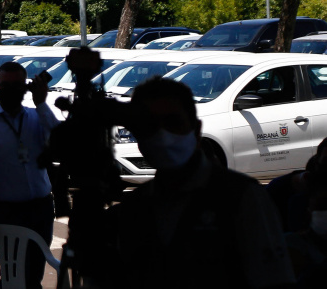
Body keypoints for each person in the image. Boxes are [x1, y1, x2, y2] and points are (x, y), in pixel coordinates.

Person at [112, 76, 295, 289]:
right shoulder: (135, 206)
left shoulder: (242, 197)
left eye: (173, 123)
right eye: (150, 126)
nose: (162, 136)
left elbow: (274, 278)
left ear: (196, 130)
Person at [0, 61, 58, 289]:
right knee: (13, 274)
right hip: (6, 211)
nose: (11, 91)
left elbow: (59, 142)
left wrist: (41, 103)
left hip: (40, 209)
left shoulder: (36, 116)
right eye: (6, 85)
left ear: (26, 88)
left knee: (33, 274)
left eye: (17, 86)